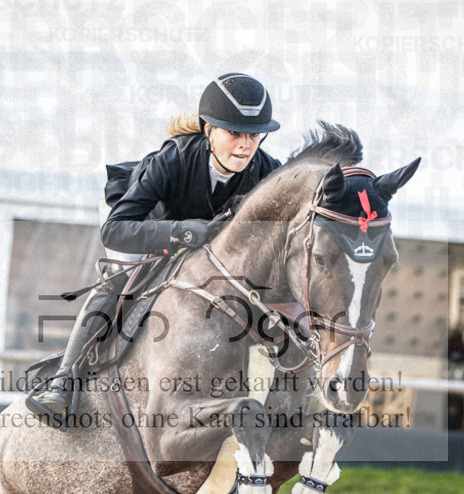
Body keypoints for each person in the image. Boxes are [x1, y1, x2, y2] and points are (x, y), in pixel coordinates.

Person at [26, 73, 283, 427]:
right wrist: (182, 233)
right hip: (146, 225)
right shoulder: (172, 159)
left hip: (211, 252)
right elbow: (116, 231)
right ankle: (62, 383)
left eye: (253, 134)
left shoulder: (268, 173)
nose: (245, 145)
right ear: (209, 131)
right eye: (234, 133)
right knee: (119, 283)